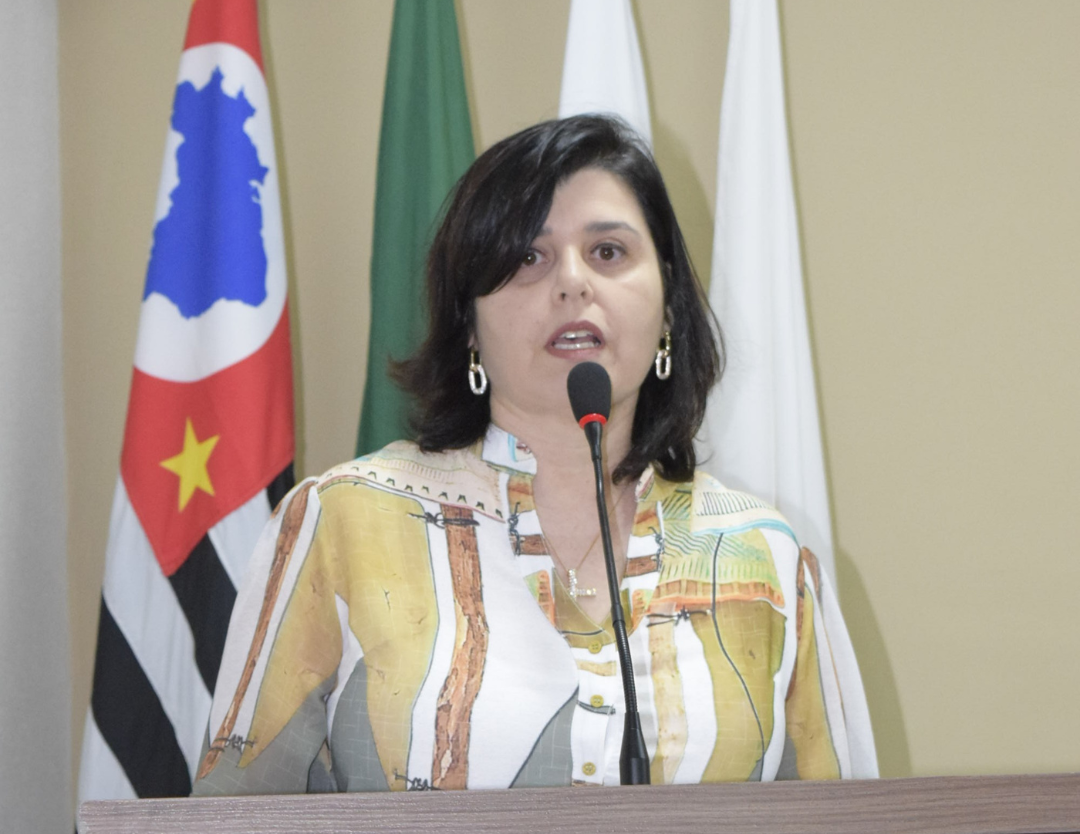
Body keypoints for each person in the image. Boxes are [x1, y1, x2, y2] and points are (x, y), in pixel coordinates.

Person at [192, 115, 877, 796]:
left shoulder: (766, 557)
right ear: (468, 324)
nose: (573, 282)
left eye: (608, 251)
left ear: (669, 306)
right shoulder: (340, 523)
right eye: (528, 258)